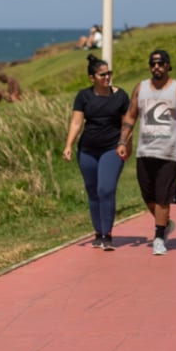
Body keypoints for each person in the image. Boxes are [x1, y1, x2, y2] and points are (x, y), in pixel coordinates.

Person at [117, 49, 176, 256]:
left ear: (168, 66)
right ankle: (165, 223)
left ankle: (159, 236)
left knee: (163, 197)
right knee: (148, 195)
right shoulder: (141, 88)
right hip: (144, 151)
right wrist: (123, 141)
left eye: (161, 63)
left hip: (169, 153)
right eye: (153, 64)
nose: (157, 67)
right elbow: (130, 116)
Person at [64, 54, 130, 250]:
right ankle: (98, 233)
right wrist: (68, 145)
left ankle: (107, 235)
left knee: (105, 189)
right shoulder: (83, 96)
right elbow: (76, 123)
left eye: (109, 73)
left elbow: (126, 124)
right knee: (93, 191)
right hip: (87, 150)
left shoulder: (120, 96)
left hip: (112, 148)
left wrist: (125, 144)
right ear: (92, 78)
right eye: (102, 75)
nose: (107, 77)